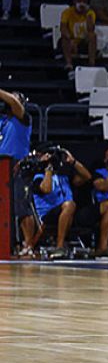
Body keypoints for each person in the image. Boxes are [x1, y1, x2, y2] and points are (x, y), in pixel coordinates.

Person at [31, 148, 92, 260]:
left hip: (68, 214)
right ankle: (59, 246)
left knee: (72, 206)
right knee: (69, 205)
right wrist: (48, 167)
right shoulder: (38, 177)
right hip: (49, 216)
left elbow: (87, 177)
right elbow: (47, 189)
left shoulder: (64, 177)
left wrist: (73, 162)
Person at [1, 89, 34, 255]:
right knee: (7, 207)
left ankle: (28, 245)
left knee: (22, 205)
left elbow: (14, 103)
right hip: (3, 166)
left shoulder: (23, 118)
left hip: (18, 165)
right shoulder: (4, 121)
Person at [60, 0, 97, 70]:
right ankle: (69, 63)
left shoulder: (90, 13)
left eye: (84, 1)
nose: (81, 4)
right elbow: (63, 28)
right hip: (71, 40)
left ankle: (92, 64)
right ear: (74, 1)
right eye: (79, 1)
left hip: (83, 42)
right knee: (64, 38)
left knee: (92, 36)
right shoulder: (67, 12)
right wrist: (71, 39)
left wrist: (87, 14)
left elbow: (91, 30)